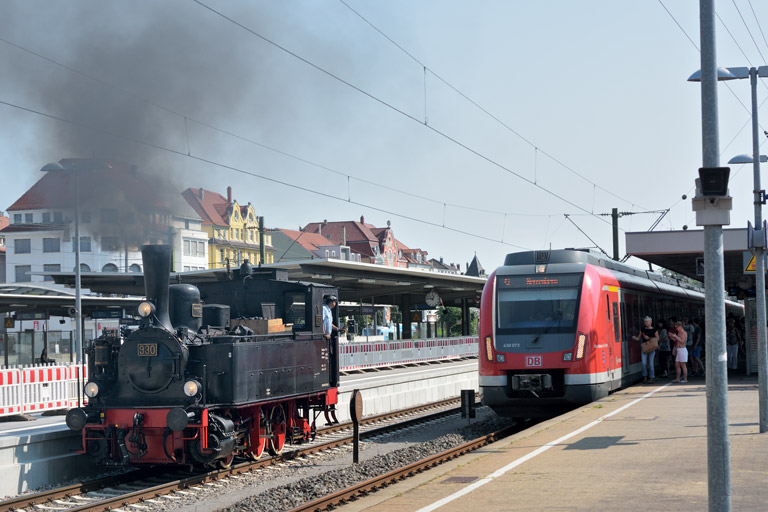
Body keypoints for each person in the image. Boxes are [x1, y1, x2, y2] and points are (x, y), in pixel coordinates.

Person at [632, 316, 658, 383]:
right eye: (645, 321)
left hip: (652, 348)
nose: (646, 323)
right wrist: (635, 338)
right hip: (645, 348)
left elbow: (657, 339)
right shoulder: (643, 329)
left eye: (647, 321)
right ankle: (645, 377)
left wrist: (649, 338)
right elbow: (639, 338)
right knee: (644, 363)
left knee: (651, 363)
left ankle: (651, 377)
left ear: (650, 322)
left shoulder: (654, 330)